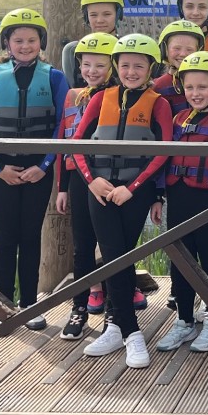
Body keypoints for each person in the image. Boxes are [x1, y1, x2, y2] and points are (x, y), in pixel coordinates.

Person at [73, 34, 172, 369]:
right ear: (116, 66)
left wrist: (134, 187)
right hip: (99, 189)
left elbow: (164, 152)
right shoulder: (101, 99)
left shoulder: (159, 104)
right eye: (125, 65)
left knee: (122, 256)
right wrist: (92, 180)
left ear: (151, 68)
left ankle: (117, 326)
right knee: (114, 256)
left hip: (135, 191)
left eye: (139, 66)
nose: (131, 72)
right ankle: (130, 332)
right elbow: (77, 143)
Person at [0, 8, 69, 329]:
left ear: (41, 42)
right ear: (7, 43)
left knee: (30, 237)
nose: (25, 46)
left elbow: (61, 127)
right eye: (18, 40)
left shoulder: (55, 78)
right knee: (5, 238)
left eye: (31, 40)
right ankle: (1, 308)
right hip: (1, 170)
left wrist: (44, 166)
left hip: (38, 171)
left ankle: (29, 305)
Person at [156, 52, 208, 354]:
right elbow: (165, 160)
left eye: (203, 87)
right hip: (179, 200)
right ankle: (183, 320)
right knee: (180, 260)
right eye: (190, 87)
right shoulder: (178, 119)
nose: (195, 93)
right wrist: (158, 197)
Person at [54, 31, 117, 340]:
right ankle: (78, 307)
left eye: (100, 65)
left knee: (113, 247)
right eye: (86, 65)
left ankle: (114, 311)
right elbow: (64, 144)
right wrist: (62, 187)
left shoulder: (120, 97)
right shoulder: (72, 96)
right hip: (79, 179)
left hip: (109, 179)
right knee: (82, 248)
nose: (92, 71)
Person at [61, 0, 123, 89]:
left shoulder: (126, 49)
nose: (100, 20)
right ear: (86, 17)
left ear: (118, 15)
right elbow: (70, 89)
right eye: (93, 15)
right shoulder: (72, 50)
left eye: (107, 14)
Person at [153, 19, 207, 116]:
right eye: (176, 48)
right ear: (165, 50)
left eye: (189, 49)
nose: (183, 54)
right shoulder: (158, 86)